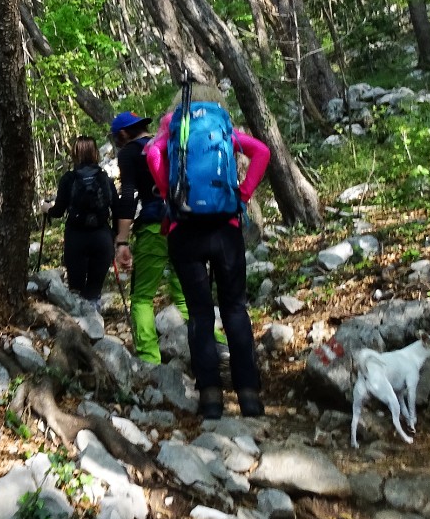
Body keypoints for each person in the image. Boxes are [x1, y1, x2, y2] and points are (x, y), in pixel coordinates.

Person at [146, 84, 271, 419]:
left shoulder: (172, 129)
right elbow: (262, 152)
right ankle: (249, 397)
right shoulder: (223, 127)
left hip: (183, 231)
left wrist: (167, 193)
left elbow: (152, 155)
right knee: (234, 310)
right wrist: (242, 195)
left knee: (200, 315)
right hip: (224, 229)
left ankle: (211, 399)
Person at [109, 111, 187, 364]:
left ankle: (149, 360)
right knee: (186, 293)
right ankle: (216, 344)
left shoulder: (129, 153)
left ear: (122, 134)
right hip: (183, 224)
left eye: (116, 137)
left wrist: (122, 240)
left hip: (154, 227)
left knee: (142, 297)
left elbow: (129, 194)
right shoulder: (166, 146)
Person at [45, 136, 117, 310]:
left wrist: (47, 208)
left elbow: (58, 211)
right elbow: (117, 209)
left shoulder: (68, 179)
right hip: (102, 237)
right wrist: (116, 236)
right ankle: (96, 327)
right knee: (94, 290)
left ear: (75, 153)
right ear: (94, 154)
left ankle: (79, 328)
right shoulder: (105, 179)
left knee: (76, 289)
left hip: (76, 238)